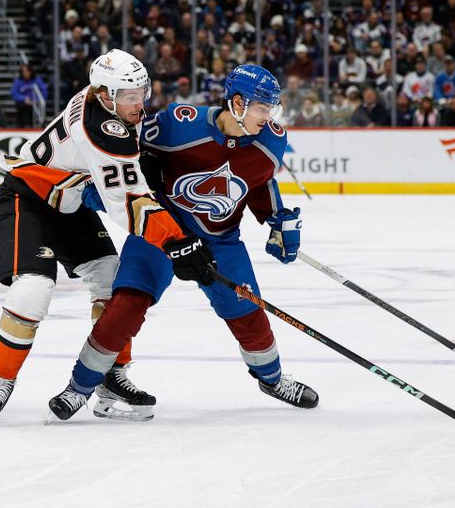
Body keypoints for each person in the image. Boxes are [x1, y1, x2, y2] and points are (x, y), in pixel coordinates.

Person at [47, 64, 319, 422]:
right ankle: (78, 388)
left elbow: (259, 179)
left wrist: (277, 218)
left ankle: (271, 379)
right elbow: (125, 153)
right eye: (262, 108)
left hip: (221, 240)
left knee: (248, 313)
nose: (268, 117)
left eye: (271, 109)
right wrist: (106, 190)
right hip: (163, 229)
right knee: (126, 304)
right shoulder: (179, 122)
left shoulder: (272, 138)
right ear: (237, 103)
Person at [0, 49, 212, 421]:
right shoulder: (102, 129)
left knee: (110, 278)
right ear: (105, 95)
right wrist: (176, 241)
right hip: (28, 198)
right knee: (34, 286)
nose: (140, 103)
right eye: (130, 96)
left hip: (68, 200)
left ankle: (110, 378)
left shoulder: (104, 102)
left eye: (142, 93)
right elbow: (128, 204)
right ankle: (1, 377)